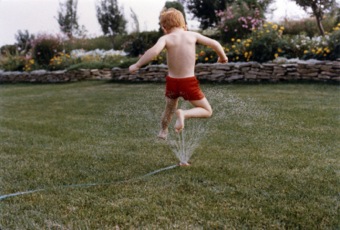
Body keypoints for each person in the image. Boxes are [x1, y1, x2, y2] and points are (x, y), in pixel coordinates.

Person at [129, 8, 228, 140]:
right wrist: (222, 57)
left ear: (164, 27)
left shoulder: (166, 38)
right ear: (184, 25)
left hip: (172, 82)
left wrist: (137, 65)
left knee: (169, 109)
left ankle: (163, 131)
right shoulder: (192, 35)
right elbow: (215, 43)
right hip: (188, 82)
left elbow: (153, 52)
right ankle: (184, 114)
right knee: (207, 111)